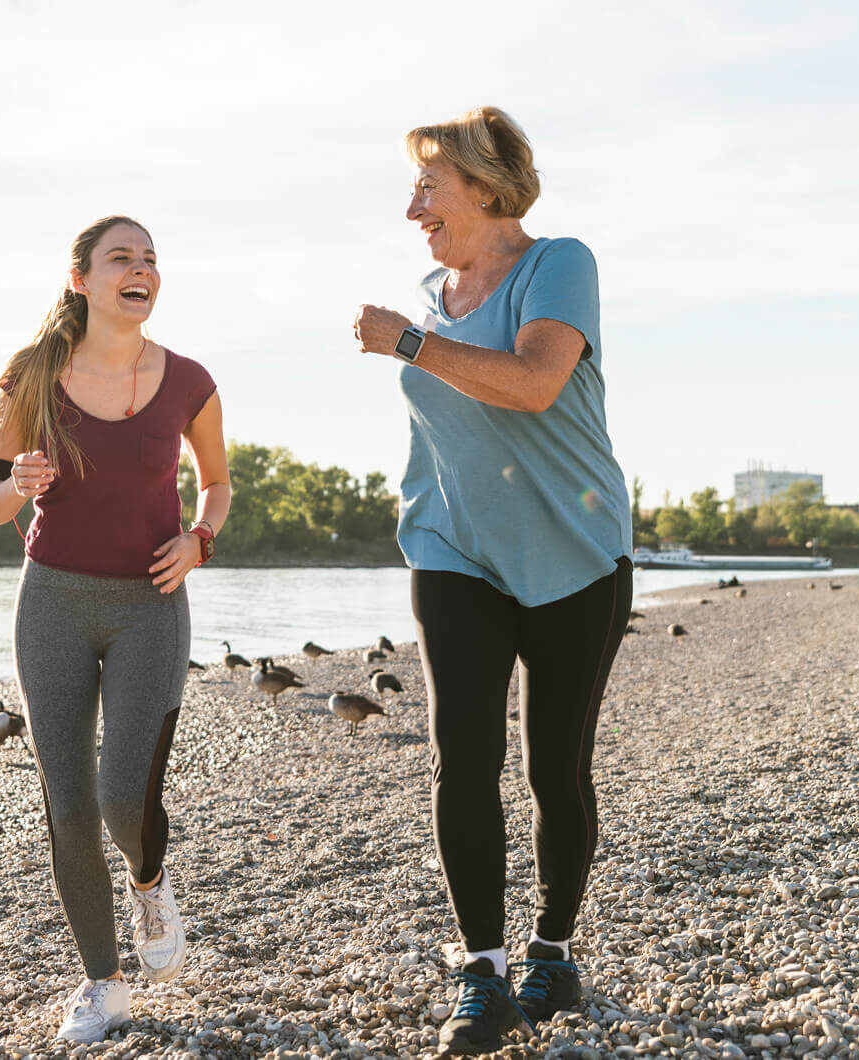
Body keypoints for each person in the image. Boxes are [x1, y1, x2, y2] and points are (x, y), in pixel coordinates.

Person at [351, 107, 633, 1055]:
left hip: (575, 552)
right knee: (461, 756)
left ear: (482, 184)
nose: (412, 208)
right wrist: (418, 338)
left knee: (557, 765)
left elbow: (535, 382)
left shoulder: (560, 263)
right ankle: (484, 972)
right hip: (452, 548)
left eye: (427, 187)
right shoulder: (434, 291)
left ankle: (554, 948)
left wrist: (409, 345)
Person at [0, 215, 231, 1044]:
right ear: (81, 277)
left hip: (151, 604)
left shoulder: (189, 380)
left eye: (151, 258)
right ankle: (102, 983)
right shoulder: (28, 374)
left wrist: (199, 540)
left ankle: (149, 880)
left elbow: (217, 483)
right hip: (51, 603)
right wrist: (19, 479)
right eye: (123, 256)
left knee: (125, 794)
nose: (141, 268)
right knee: (69, 804)